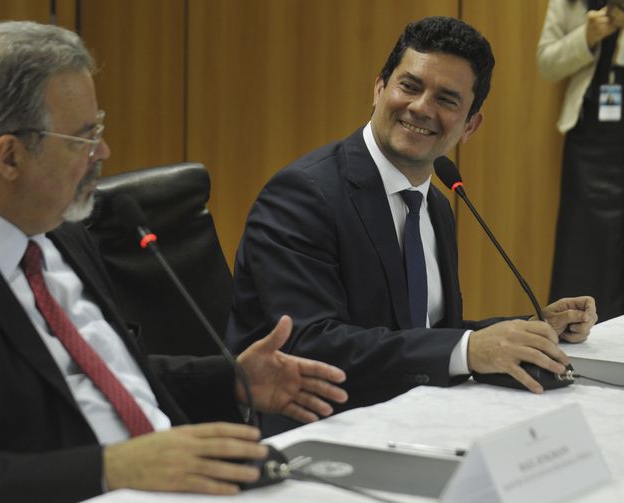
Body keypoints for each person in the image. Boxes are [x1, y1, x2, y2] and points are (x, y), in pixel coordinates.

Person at [0, 21, 350, 502]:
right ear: (9, 157)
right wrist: (112, 468)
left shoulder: (60, 226)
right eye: (83, 137)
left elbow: (109, 373)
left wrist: (232, 381)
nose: (103, 151)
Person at [225, 16, 597, 429]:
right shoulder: (302, 194)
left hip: (409, 419)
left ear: (471, 125)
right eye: (410, 86)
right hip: (311, 430)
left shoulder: (436, 203)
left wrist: (527, 332)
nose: (421, 107)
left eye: (447, 99)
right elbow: (308, 345)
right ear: (379, 88)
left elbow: (424, 332)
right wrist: (469, 348)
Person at [538, 0, 624, 322]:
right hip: (590, 141)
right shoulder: (568, 3)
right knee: (582, 250)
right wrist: (585, 37)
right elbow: (546, 63)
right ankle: (576, 339)